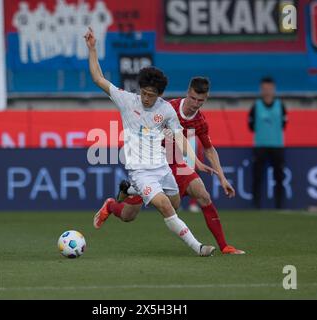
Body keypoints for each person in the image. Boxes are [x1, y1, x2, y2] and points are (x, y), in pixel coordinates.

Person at [85, 27, 216, 257]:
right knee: (165, 207)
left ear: (159, 94)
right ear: (140, 89)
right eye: (144, 93)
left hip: (162, 168)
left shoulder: (165, 110)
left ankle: (127, 191)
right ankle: (199, 247)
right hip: (139, 169)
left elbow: (179, 137)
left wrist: (195, 160)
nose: (146, 98)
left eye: (151, 95)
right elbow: (98, 78)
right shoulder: (127, 100)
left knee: (173, 205)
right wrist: (93, 48)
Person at [95, 77, 245, 255]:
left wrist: (222, 177)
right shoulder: (166, 107)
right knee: (128, 216)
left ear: (206, 99)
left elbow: (209, 150)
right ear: (187, 93)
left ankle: (224, 246)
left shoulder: (200, 122)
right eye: (193, 98)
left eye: (200, 101)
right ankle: (112, 205)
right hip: (151, 166)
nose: (195, 104)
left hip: (176, 166)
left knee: (203, 195)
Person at [248, 77, 288, 209]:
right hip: (260, 146)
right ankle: (256, 205)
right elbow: (251, 125)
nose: (267, 91)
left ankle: (279, 205)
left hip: (277, 145)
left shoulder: (280, 105)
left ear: (274, 89)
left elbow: (284, 124)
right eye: (264, 89)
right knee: (257, 177)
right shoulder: (256, 106)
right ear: (261, 89)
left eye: (269, 89)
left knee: (279, 178)